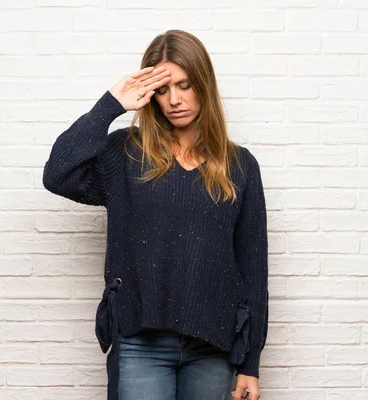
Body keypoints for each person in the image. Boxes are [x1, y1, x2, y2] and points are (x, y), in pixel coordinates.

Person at [42, 30, 268, 400]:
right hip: (139, 344)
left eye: (185, 85)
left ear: (204, 86)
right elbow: (57, 174)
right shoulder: (125, 155)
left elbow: (252, 268)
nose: (175, 100)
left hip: (213, 345)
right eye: (163, 90)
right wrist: (111, 104)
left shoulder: (240, 166)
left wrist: (250, 364)